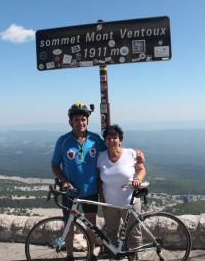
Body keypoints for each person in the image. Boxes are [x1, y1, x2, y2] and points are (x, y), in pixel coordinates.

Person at [51, 102, 103, 261]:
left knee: (91, 224)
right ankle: (69, 256)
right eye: (76, 120)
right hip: (70, 191)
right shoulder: (63, 141)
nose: (80, 122)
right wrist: (64, 181)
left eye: (83, 119)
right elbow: (55, 165)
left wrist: (133, 155)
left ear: (87, 121)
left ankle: (92, 253)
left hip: (91, 189)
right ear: (70, 122)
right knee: (69, 224)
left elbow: (111, 154)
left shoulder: (96, 139)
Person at [97, 124, 146, 256]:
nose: (111, 140)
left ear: (120, 140)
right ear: (105, 140)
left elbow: (141, 169)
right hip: (109, 203)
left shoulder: (130, 153)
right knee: (111, 234)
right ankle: (114, 257)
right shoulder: (100, 157)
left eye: (114, 137)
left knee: (134, 233)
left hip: (130, 201)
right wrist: (102, 200)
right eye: (108, 138)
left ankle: (135, 258)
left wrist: (138, 180)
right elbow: (99, 180)